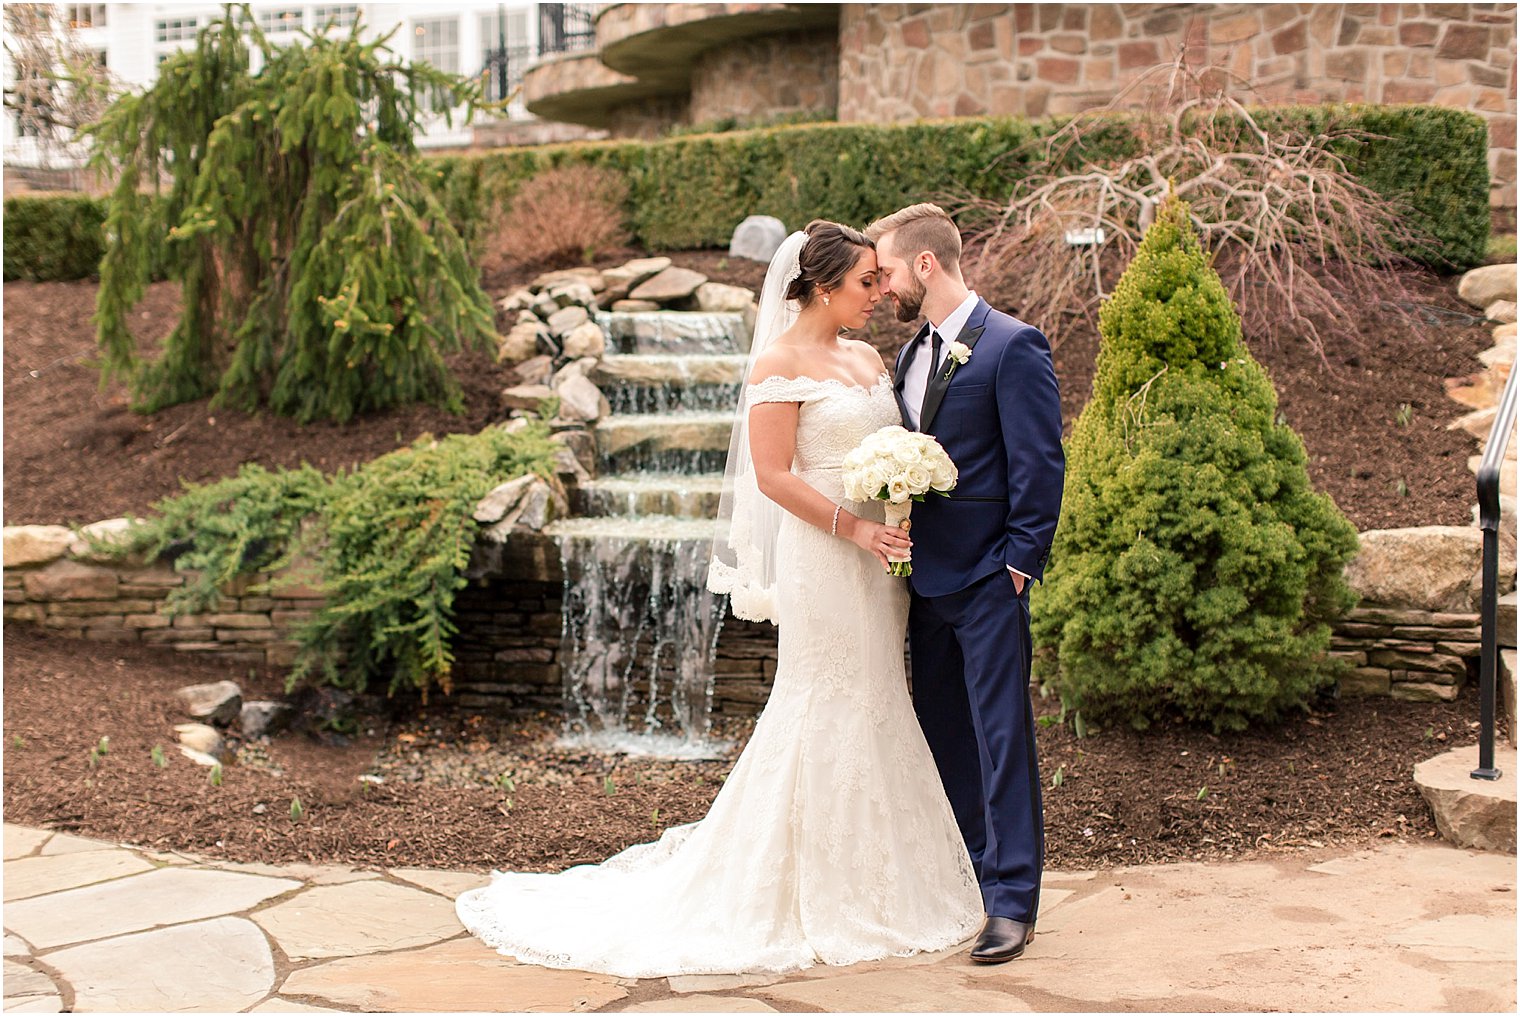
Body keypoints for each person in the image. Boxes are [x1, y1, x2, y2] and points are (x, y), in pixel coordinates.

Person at [455, 220, 984, 977]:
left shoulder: (869, 357)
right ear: (824, 286)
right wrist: (855, 530)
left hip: (879, 560)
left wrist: (899, 500)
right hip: (827, 556)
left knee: (877, 696)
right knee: (824, 698)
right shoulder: (777, 363)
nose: (880, 295)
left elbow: (890, 448)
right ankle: (805, 887)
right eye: (866, 283)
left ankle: (886, 882)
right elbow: (773, 477)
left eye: (878, 280)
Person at [865, 203, 1065, 964]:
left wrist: (1017, 565)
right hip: (925, 582)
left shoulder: (1013, 346)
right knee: (946, 735)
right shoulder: (911, 353)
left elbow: (1040, 464)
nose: (880, 288)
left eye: (885, 272)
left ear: (925, 264)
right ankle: (973, 879)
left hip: (988, 580)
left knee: (1002, 738)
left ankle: (1014, 901)